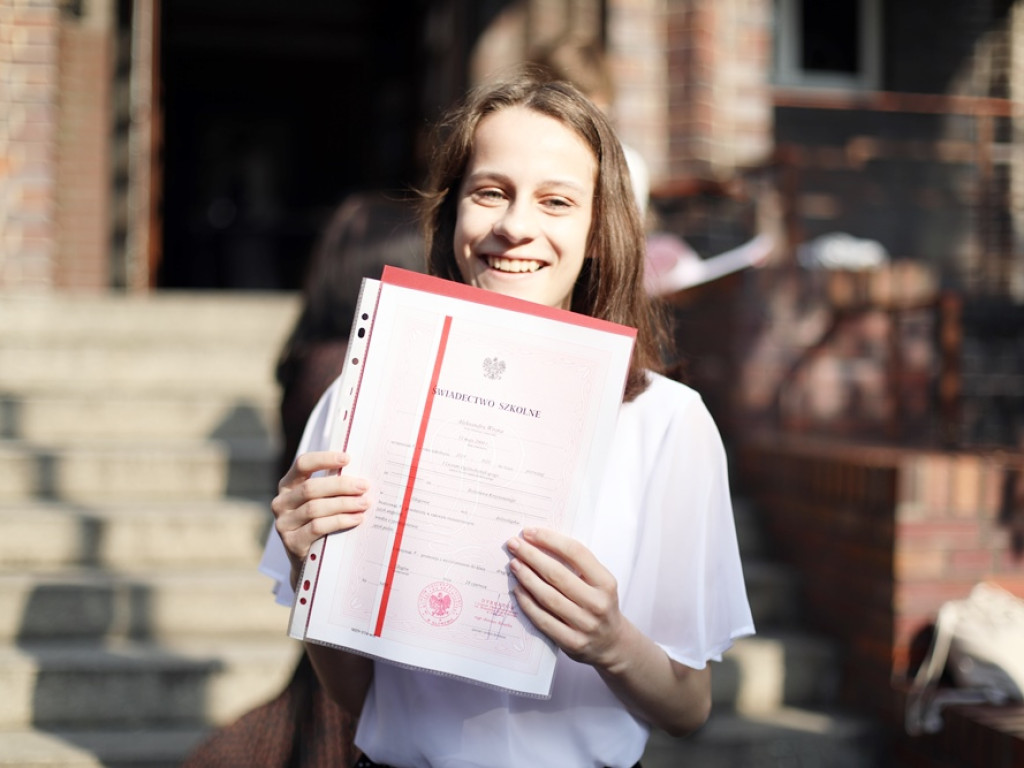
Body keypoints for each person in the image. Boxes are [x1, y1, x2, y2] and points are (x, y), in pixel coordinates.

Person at [262, 72, 754, 768]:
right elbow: (356, 695)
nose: (515, 226)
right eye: (489, 191)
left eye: (556, 201)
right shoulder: (363, 393)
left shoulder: (665, 422)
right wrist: (311, 565)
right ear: (452, 213)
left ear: (597, 234)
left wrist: (613, 642)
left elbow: (687, 707)